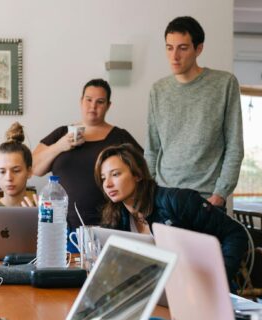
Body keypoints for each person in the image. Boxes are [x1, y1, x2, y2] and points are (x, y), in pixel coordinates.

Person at [94, 144, 248, 288]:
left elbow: (235, 233)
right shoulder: (116, 217)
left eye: (115, 174)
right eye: (103, 178)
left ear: (137, 175)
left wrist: (218, 279)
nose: (107, 184)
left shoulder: (178, 201)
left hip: (201, 290)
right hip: (160, 293)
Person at [145, 16, 243, 207]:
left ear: (198, 49)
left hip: (206, 199)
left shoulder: (224, 84)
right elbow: (152, 149)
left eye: (183, 48)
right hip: (164, 196)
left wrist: (220, 194)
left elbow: (234, 146)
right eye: (169, 47)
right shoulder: (158, 90)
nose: (174, 56)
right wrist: (148, 193)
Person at [33, 78, 142, 230]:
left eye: (100, 101)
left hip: (111, 223)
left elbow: (142, 173)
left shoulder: (120, 137)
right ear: (81, 101)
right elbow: (34, 168)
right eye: (88, 100)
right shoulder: (61, 133)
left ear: (108, 106)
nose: (93, 106)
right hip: (62, 226)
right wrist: (59, 146)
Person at [0, 122, 37, 207]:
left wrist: (38, 219)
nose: (9, 178)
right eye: (2, 172)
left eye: (16, 170)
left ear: (29, 172)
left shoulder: (41, 212)